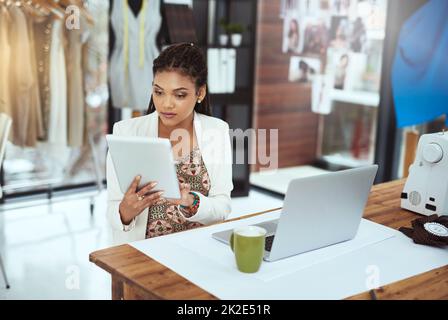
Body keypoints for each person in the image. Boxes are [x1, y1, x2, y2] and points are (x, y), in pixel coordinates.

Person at [107, 43, 233, 244]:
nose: (166, 104)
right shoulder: (126, 132)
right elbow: (113, 209)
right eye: (159, 92)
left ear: (200, 93)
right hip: (141, 256)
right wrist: (125, 211)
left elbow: (223, 207)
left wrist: (190, 202)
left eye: (180, 95)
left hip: (198, 251)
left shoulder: (216, 131)